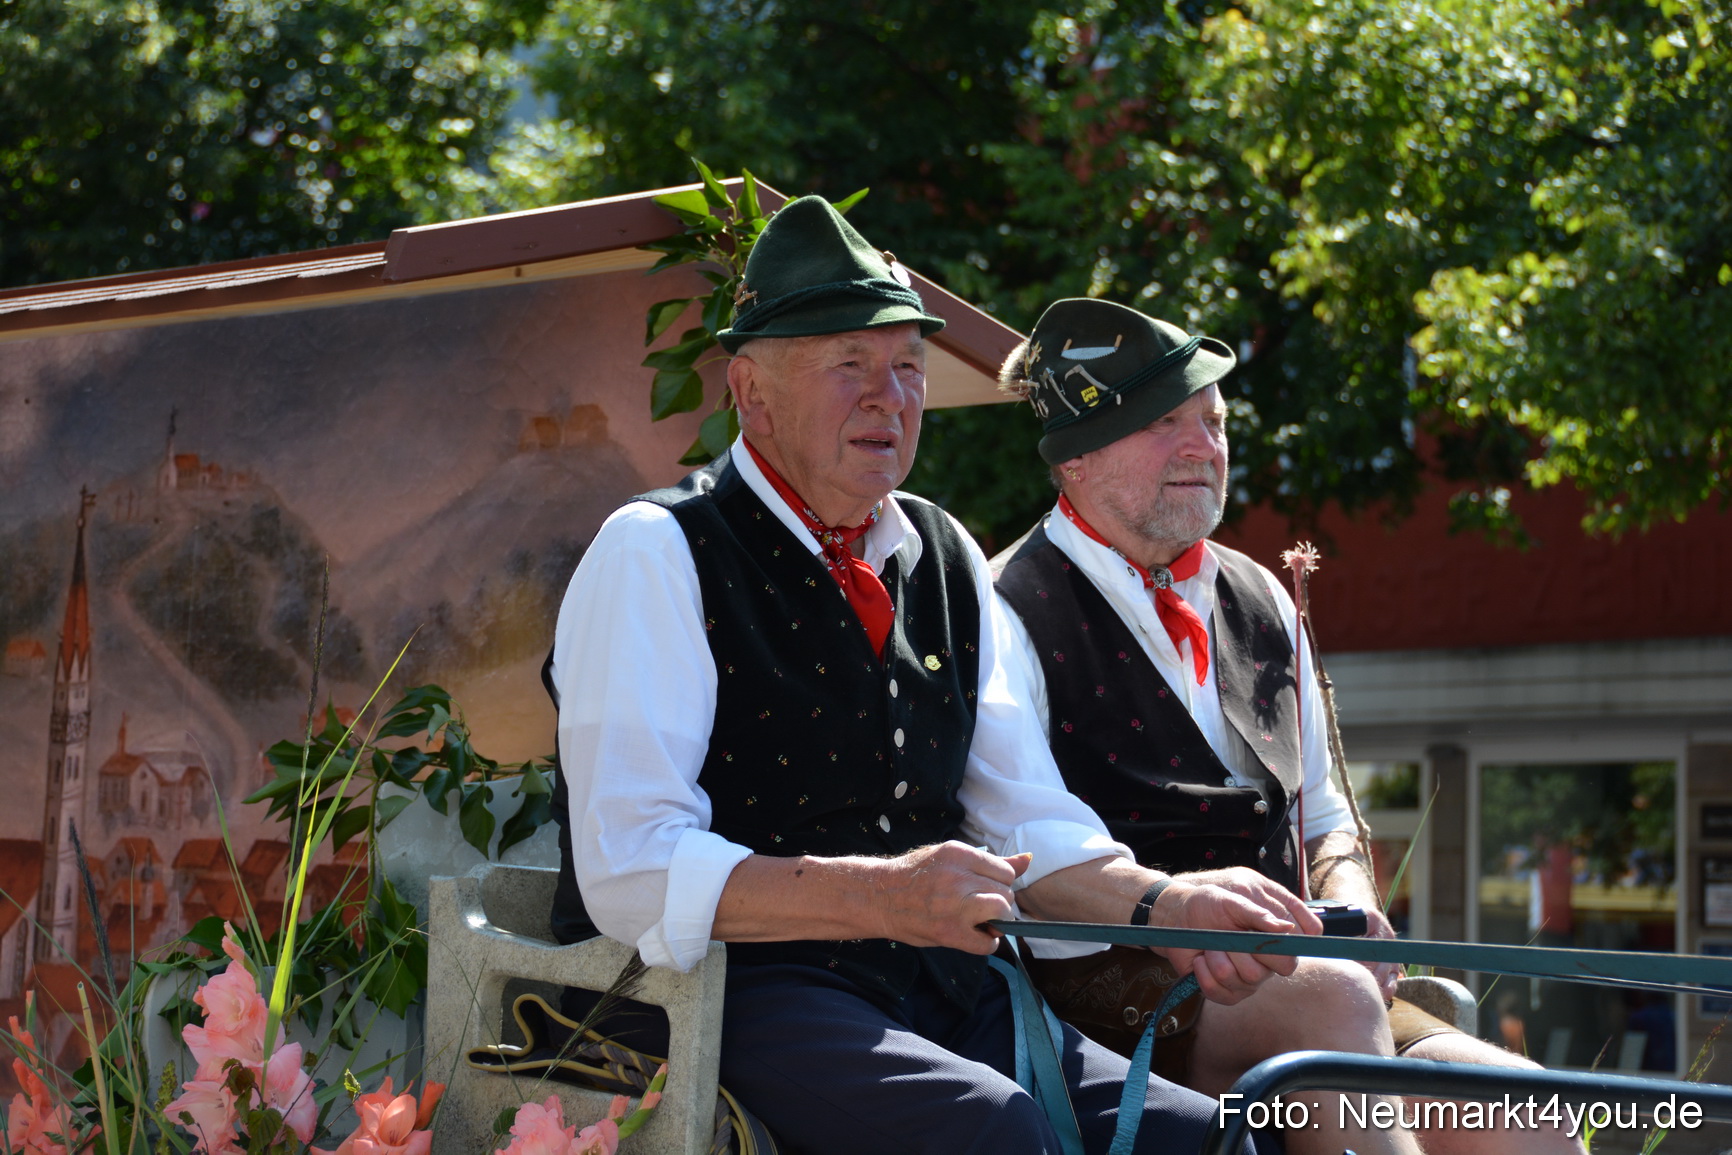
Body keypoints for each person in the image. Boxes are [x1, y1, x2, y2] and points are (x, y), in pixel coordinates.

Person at [542, 197, 1392, 1155]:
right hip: (731, 992)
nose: (890, 396)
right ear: (752, 392)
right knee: (990, 1132)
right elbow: (631, 867)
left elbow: (1024, 814)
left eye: (908, 368)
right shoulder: (658, 548)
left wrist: (1165, 906)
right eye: (849, 364)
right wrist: (880, 895)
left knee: (1214, 1142)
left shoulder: (942, 550)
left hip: (933, 985)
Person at [993, 296, 1581, 1155]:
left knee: (1524, 1110)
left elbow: (1326, 814)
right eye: (1166, 422)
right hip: (1110, 984)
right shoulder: (1003, 602)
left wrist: (1348, 899)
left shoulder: (1262, 593)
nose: (1205, 446)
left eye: (1215, 420)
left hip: (1299, 971)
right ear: (1076, 456)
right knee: (1334, 1002)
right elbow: (1030, 849)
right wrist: (1174, 909)